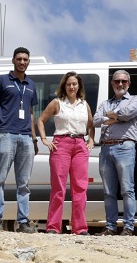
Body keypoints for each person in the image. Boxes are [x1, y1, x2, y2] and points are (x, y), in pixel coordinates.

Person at [0, 47, 39, 233]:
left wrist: (34, 139)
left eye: (25, 59)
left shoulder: (31, 85)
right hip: (6, 134)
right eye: (19, 59)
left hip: (25, 137)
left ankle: (23, 222)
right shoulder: (2, 80)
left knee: (24, 183)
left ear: (28, 61)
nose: (22, 62)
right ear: (13, 60)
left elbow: (31, 113)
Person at [36, 71, 94, 234]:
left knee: (80, 187)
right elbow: (40, 120)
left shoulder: (85, 104)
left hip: (80, 146)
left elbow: (91, 124)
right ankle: (53, 227)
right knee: (58, 187)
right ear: (64, 86)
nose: (71, 87)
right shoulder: (57, 103)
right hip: (61, 144)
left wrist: (91, 140)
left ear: (79, 86)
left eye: (74, 84)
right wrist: (44, 139)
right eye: (68, 84)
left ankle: (80, 228)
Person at [93, 69, 137, 235]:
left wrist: (111, 116)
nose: (120, 84)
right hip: (106, 148)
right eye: (116, 81)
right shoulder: (106, 103)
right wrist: (114, 116)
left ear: (129, 84)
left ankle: (128, 227)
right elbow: (95, 120)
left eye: (123, 81)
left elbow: (128, 114)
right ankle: (110, 227)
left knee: (127, 189)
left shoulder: (136, 99)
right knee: (108, 191)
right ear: (112, 83)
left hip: (125, 147)